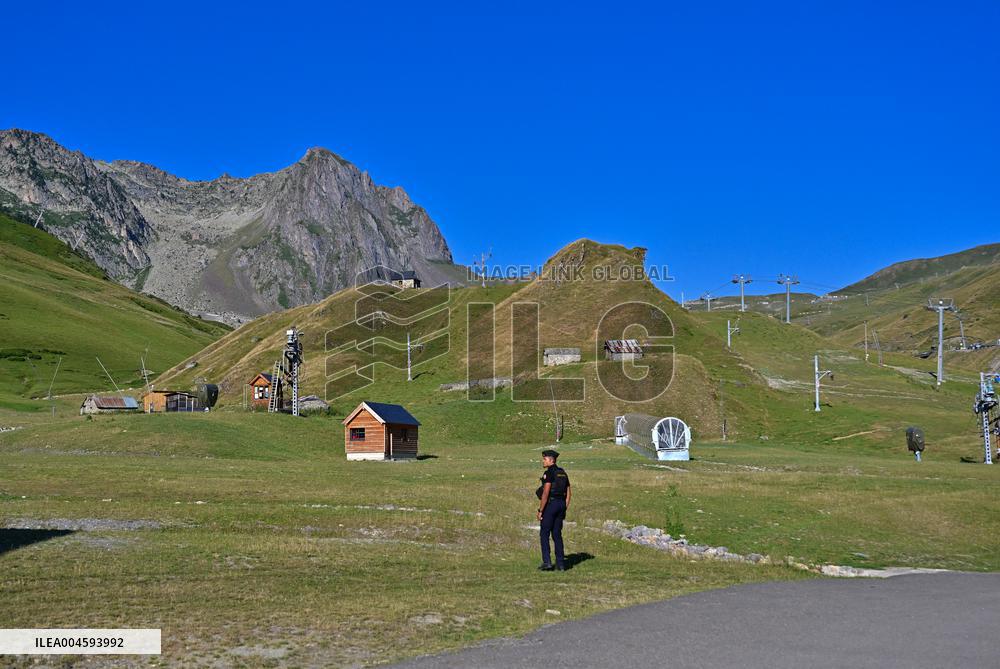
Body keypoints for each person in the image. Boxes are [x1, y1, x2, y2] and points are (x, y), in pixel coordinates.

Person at [536, 449, 571, 571]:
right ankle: (561, 564)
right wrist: (564, 506)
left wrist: (541, 510)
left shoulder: (549, 473)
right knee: (557, 534)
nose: (543, 461)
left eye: (544, 459)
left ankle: (547, 562)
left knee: (544, 533)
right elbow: (568, 492)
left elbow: (545, 493)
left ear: (551, 460)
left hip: (551, 505)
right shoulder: (562, 473)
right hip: (561, 504)